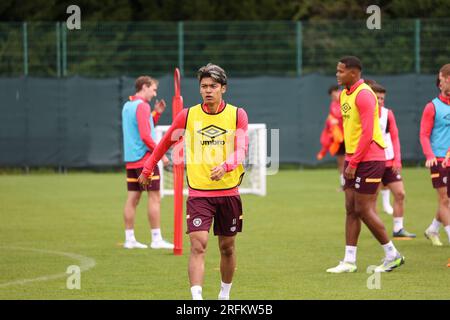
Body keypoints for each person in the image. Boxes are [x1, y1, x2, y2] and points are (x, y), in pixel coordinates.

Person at [138, 63, 248, 300]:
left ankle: (224, 295)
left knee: (227, 248)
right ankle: (196, 299)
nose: (208, 90)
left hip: (228, 192)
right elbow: (165, 143)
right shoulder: (187, 115)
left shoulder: (237, 114)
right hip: (199, 194)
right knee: (198, 245)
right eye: (204, 86)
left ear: (223, 89)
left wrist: (226, 166)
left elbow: (241, 150)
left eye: (213, 86)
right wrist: (147, 168)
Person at [326, 56, 404, 274]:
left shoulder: (365, 95)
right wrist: (350, 160)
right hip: (354, 157)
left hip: (370, 159)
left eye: (341, 71)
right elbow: (351, 131)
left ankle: (392, 254)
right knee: (350, 209)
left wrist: (354, 162)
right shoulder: (343, 95)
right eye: (337, 70)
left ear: (354, 73)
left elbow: (368, 133)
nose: (337, 74)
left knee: (363, 209)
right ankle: (349, 261)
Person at [121, 76, 174, 250]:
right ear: (144, 87)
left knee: (132, 199)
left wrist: (156, 113)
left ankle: (129, 239)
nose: (155, 93)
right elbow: (145, 135)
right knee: (154, 198)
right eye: (153, 89)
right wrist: (162, 155)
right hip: (144, 160)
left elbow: (142, 128)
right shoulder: (142, 106)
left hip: (131, 160)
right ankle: (156, 239)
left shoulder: (128, 105)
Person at [370, 82, 415, 238]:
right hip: (372, 163)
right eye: (377, 98)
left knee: (400, 194)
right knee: (371, 198)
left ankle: (398, 229)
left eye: (382, 98)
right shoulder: (364, 114)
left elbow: (395, 138)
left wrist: (397, 160)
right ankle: (375, 229)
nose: (380, 101)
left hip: (388, 162)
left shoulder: (388, 114)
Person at [420, 63, 450, 246]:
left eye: (442, 78)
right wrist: (429, 155)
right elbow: (424, 134)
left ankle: (433, 228)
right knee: (445, 199)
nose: (441, 82)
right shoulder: (432, 106)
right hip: (439, 159)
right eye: (440, 79)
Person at [317, 85, 345, 188]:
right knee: (340, 162)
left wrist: (338, 120)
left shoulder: (345, 102)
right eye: (332, 96)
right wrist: (331, 121)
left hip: (349, 136)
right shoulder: (333, 105)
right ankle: (343, 184)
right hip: (338, 138)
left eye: (335, 94)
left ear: (339, 92)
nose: (334, 97)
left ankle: (353, 184)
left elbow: (348, 116)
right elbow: (331, 118)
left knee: (351, 161)